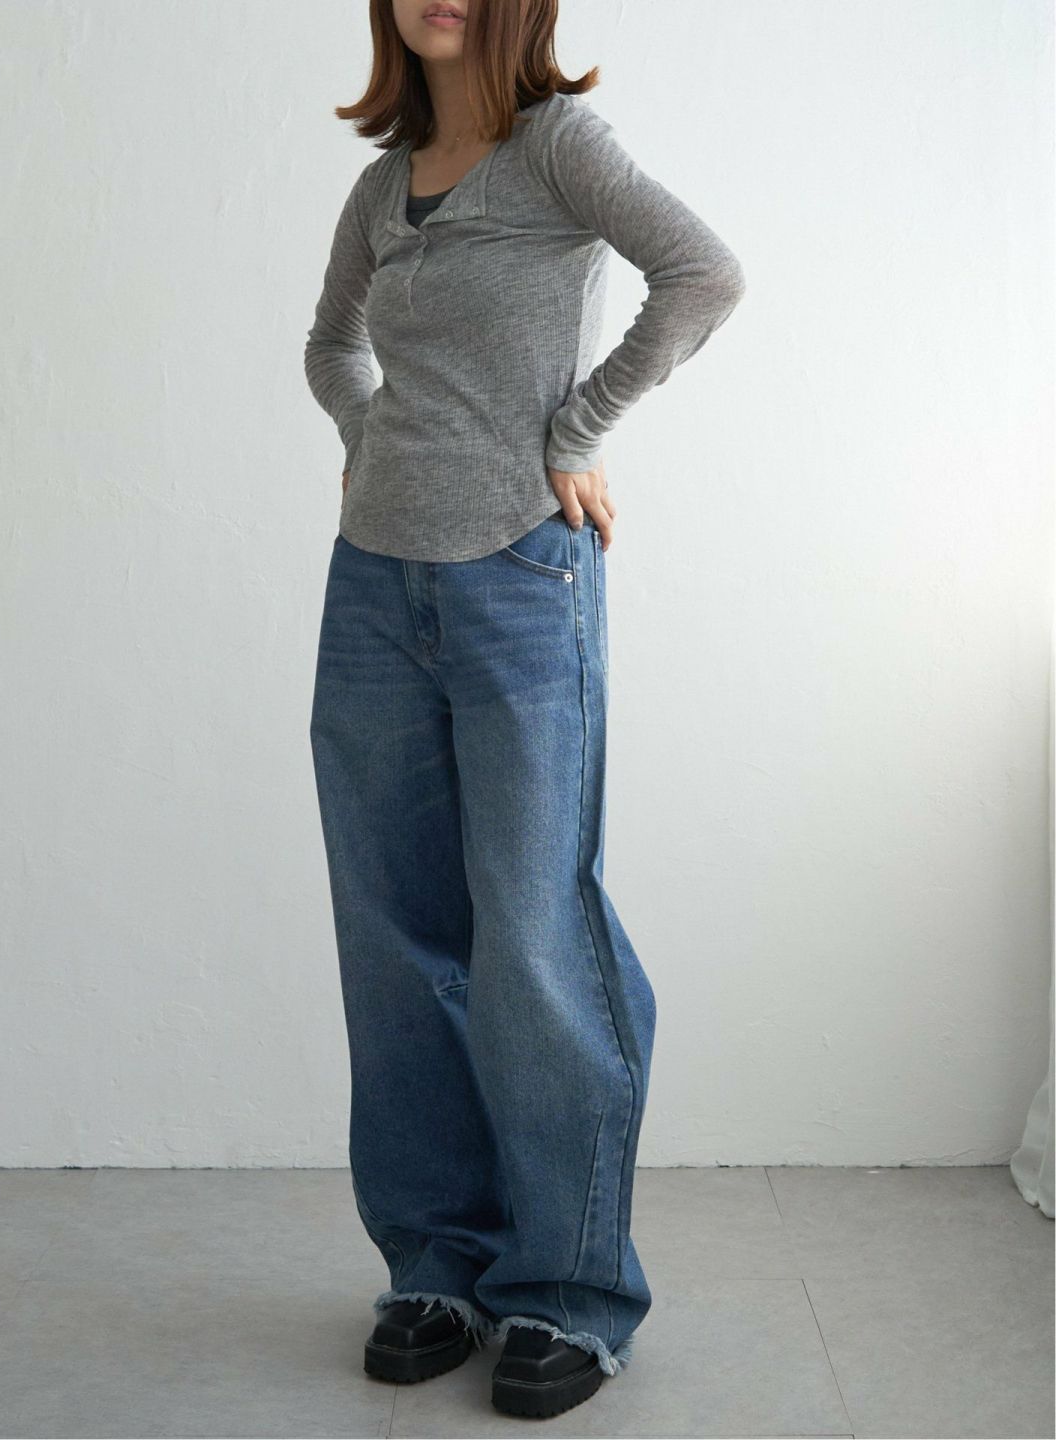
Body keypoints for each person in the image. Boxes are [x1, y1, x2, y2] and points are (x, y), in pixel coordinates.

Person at [304, 0, 745, 1419]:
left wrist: (577, 431)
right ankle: (436, 1264)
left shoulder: (561, 147)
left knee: (535, 930)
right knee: (396, 939)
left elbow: (703, 274)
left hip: (518, 578)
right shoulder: (384, 184)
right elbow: (330, 344)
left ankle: (569, 1289)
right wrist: (371, 436)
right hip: (374, 589)